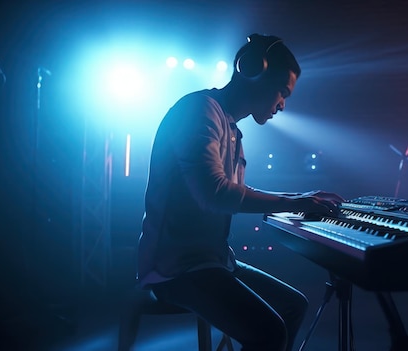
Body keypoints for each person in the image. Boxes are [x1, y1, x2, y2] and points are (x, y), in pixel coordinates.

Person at [137, 33, 344, 351]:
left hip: (212, 261)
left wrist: (300, 198)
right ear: (253, 73)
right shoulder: (198, 112)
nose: (283, 105)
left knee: (294, 306)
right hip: (173, 268)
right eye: (282, 92)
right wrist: (293, 202)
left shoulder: (231, 128)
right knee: (270, 332)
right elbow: (215, 193)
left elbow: (232, 191)